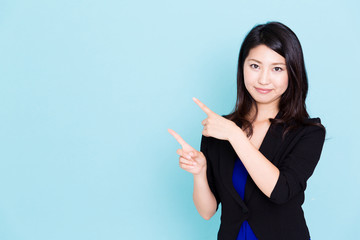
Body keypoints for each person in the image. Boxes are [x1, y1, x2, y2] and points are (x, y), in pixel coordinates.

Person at [168, 21, 325, 240]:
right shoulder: (219, 129)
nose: (263, 79)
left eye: (277, 68)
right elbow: (207, 212)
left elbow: (280, 192)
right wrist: (200, 173)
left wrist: (235, 135)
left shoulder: (307, 132)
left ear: (293, 73)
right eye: (254, 66)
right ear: (242, 67)